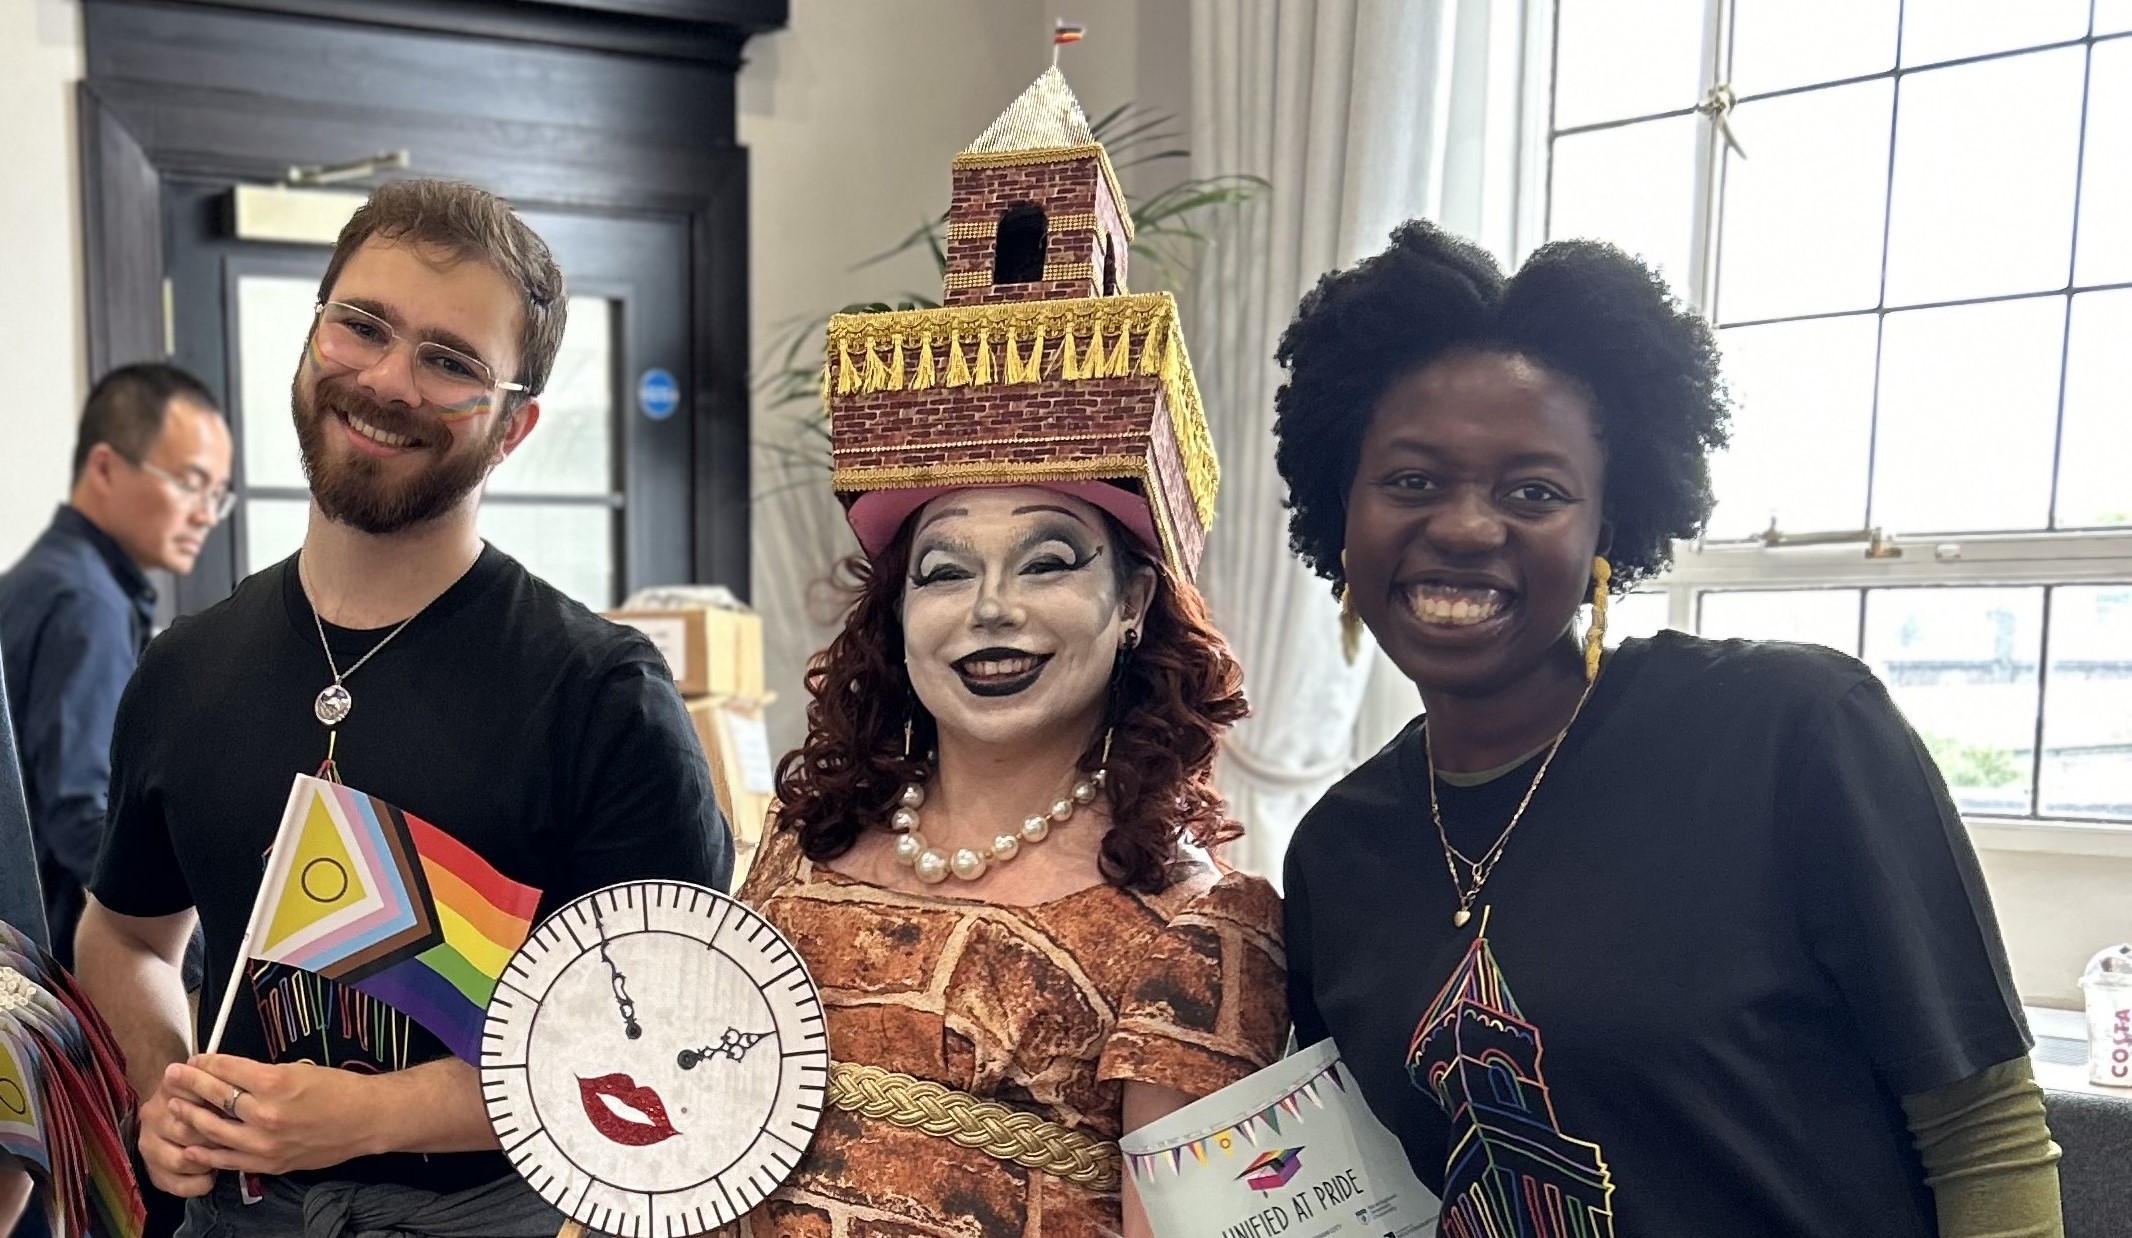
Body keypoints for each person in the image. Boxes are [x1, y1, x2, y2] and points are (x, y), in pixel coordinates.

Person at [1272, 220, 2062, 1237]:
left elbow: (1983, 1131)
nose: (1467, 526)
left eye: (1533, 491)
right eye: (1412, 480)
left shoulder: (1792, 731)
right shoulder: (1340, 849)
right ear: (1343, 509)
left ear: (1604, 524)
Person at [73, 178, 730, 1237]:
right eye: (361, 326)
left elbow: (678, 1036)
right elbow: (127, 937)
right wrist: (172, 1090)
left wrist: (368, 1113)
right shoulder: (183, 668)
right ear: (312, 337)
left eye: (449, 361)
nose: (386, 380)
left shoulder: (602, 695)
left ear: (513, 427)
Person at [0, 363, 229, 977]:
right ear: (105, 468)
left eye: (217, 495)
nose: (207, 514)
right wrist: (200, 949)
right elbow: (83, 816)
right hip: (38, 963)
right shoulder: (84, 602)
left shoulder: (50, 578)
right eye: (190, 483)